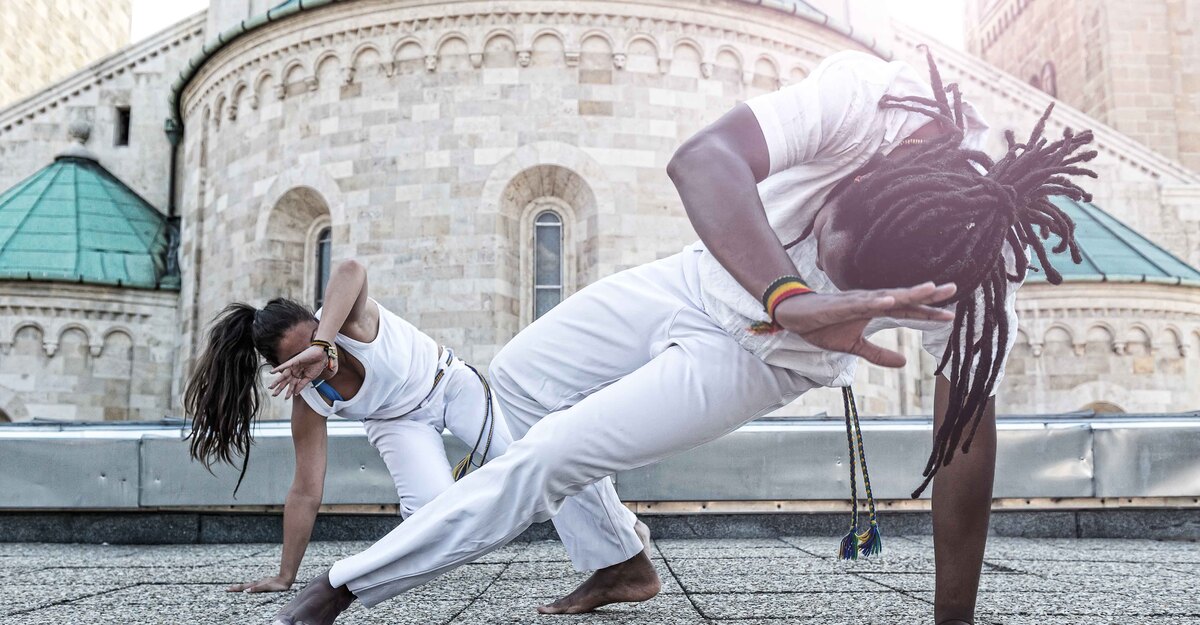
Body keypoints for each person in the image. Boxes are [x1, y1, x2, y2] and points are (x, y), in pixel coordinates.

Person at [271, 48, 1096, 625]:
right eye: (831, 235)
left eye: (852, 278)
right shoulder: (874, 102)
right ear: (876, 175)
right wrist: (790, 287)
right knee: (516, 377)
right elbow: (704, 158)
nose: (826, 264)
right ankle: (621, 559)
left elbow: (963, 441)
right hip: (697, 274)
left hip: (752, 356)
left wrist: (954, 617)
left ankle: (341, 593)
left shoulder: (979, 277)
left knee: (552, 451)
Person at [184, 259, 524, 594]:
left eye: (315, 340)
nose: (317, 357)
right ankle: (463, 497)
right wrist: (285, 576)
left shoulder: (347, 321)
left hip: (446, 383)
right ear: (287, 367)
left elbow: (351, 269)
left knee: (523, 458)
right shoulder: (310, 400)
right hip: (396, 423)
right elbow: (305, 490)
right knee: (431, 518)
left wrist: (323, 341)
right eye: (303, 357)